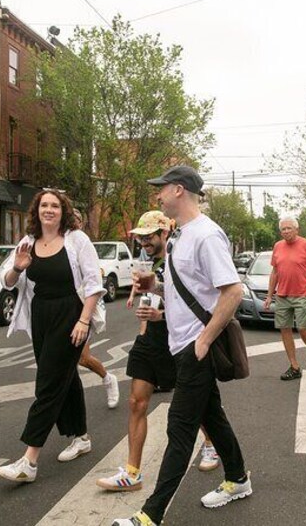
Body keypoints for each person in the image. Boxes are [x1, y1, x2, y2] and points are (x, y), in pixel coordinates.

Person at [113, 166, 250, 526]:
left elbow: (232, 291)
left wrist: (203, 341)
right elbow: (186, 290)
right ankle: (238, 479)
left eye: (161, 190)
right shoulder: (178, 237)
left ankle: (150, 515)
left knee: (180, 428)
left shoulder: (207, 235)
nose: (157, 196)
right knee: (213, 418)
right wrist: (154, 290)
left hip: (195, 348)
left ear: (178, 190)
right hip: (180, 344)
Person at [97, 210, 219, 493]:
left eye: (149, 237)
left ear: (165, 233)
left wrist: (159, 315)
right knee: (136, 403)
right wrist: (145, 325)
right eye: (140, 239)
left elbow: (193, 305)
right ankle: (132, 473)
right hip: (151, 340)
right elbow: (152, 297)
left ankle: (211, 444)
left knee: (198, 405)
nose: (144, 243)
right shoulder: (149, 262)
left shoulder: (180, 261)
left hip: (181, 339)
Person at [0, 190, 105, 483]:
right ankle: (81, 438)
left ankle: (29, 461)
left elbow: (95, 284)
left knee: (47, 383)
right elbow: (8, 281)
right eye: (44, 205)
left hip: (70, 314)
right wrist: (17, 267)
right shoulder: (28, 242)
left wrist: (84, 321)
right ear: (37, 210)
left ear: (63, 210)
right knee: (65, 379)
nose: (49, 210)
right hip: (41, 316)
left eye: (55, 206)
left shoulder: (77, 240)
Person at [70, 208, 121, 409]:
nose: (72, 222)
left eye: (76, 219)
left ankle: (108, 378)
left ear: (81, 223)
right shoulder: (57, 242)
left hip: (82, 307)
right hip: (60, 310)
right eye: (69, 219)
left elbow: (93, 278)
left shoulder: (82, 243)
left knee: (82, 358)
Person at [263, 216, 306, 381]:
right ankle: (294, 366)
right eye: (283, 229)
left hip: (303, 294)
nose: (286, 231)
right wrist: (269, 295)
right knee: (285, 329)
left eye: (289, 228)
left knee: (303, 328)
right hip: (282, 295)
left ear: (297, 229)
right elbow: (275, 272)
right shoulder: (278, 246)